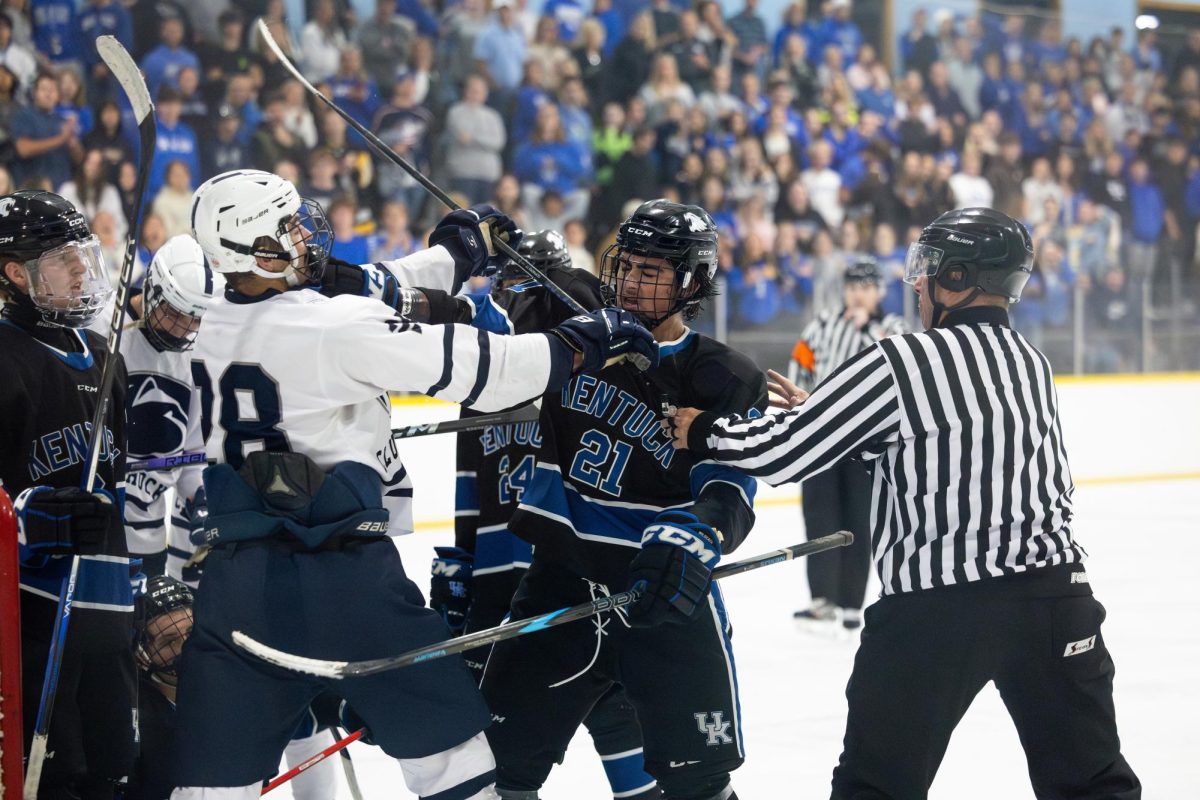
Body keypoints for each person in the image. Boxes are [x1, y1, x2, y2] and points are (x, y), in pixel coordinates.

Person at [170, 169, 657, 800]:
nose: (305, 233)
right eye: (287, 226)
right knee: (453, 762)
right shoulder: (332, 329)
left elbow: (370, 297)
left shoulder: (209, 325)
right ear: (256, 248)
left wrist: (453, 256)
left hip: (235, 589)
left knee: (212, 787)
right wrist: (583, 342)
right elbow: (497, 373)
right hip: (343, 584)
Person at [666, 207, 1142, 800]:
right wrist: (831, 418)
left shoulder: (899, 361)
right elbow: (950, 449)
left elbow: (783, 455)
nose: (916, 280)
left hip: (936, 611)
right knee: (1092, 784)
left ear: (961, 279)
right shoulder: (1031, 363)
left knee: (877, 788)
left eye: (930, 268)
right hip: (1055, 600)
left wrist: (704, 430)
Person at [480, 200, 768, 800]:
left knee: (700, 782)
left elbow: (729, 491)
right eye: (627, 266)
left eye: (652, 271)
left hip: (664, 590)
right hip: (562, 583)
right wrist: (492, 242)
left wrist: (694, 535)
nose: (632, 283)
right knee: (495, 769)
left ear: (693, 280)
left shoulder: (723, 375)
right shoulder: (575, 339)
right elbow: (527, 287)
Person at [439, 230, 659, 800]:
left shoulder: (592, 376)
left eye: (525, 292)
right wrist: (462, 573)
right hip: (522, 598)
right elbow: (470, 490)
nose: (517, 305)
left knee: (614, 746)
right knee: (507, 771)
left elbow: (584, 302)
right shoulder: (487, 380)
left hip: (578, 585)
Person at [0, 190, 136, 799]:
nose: (83, 268)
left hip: (107, 618)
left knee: (112, 776)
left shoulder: (106, 358)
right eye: (63, 258)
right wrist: (29, 522)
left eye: (84, 253)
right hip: (29, 624)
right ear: (16, 274)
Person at [127, 575, 347, 800]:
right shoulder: (134, 720)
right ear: (141, 655)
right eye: (168, 641)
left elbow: (292, 703)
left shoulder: (230, 682)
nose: (185, 646)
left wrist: (340, 708)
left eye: (191, 631)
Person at [786, 258, 906, 630]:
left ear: (879, 292)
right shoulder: (823, 324)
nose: (857, 293)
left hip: (866, 441)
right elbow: (800, 364)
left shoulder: (892, 327)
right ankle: (823, 600)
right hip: (820, 437)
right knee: (820, 517)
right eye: (853, 286)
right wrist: (799, 411)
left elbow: (898, 369)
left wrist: (867, 332)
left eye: (866, 287)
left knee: (859, 521)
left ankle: (853, 604)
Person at [105, 235, 215, 583]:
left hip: (148, 536)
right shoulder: (102, 328)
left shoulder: (195, 353)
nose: (184, 329)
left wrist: (199, 496)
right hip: (94, 529)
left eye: (194, 318)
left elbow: (192, 450)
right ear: (152, 289)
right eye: (174, 314)